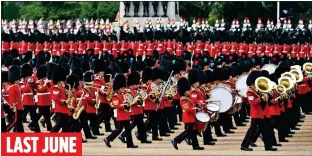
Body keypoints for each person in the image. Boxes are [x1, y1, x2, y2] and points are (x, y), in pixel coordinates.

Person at [240, 71, 277, 151]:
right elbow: (252, 103)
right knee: (251, 131)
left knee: (265, 130)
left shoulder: (257, 91)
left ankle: (268, 146)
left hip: (261, 114)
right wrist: (261, 99)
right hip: (256, 114)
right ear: (252, 83)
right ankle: (244, 145)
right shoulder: (250, 92)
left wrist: (267, 96)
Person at [104, 74, 138, 148]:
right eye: (122, 88)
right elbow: (116, 105)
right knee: (119, 129)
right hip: (121, 115)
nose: (123, 89)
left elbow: (129, 101)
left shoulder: (124, 95)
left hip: (126, 115)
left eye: (123, 88)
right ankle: (108, 138)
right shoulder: (115, 96)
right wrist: (124, 105)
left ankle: (130, 144)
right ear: (118, 88)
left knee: (128, 130)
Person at [171, 77, 204, 150]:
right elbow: (187, 108)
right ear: (184, 91)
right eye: (187, 91)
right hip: (188, 118)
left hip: (191, 117)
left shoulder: (187, 98)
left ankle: (195, 146)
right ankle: (176, 140)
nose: (189, 92)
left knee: (191, 132)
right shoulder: (183, 99)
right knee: (188, 132)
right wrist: (195, 108)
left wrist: (197, 106)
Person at [118, 71, 152, 144]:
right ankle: (123, 135)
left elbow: (144, 98)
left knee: (141, 125)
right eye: (134, 85)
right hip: (134, 110)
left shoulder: (137, 91)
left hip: (139, 110)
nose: (135, 86)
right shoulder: (129, 92)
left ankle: (143, 139)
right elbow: (131, 101)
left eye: (135, 84)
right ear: (130, 85)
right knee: (133, 124)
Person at [50, 65, 71, 132]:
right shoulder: (56, 87)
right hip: (60, 109)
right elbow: (56, 99)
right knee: (58, 125)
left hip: (65, 109)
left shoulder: (62, 87)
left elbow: (64, 96)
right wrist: (64, 102)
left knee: (66, 127)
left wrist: (68, 94)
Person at [6, 65, 24, 132]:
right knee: (15, 121)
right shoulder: (12, 87)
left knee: (19, 122)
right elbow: (12, 98)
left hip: (19, 107)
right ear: (15, 80)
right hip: (15, 107)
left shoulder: (17, 87)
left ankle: (20, 133)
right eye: (17, 80)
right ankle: (5, 130)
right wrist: (13, 106)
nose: (18, 81)